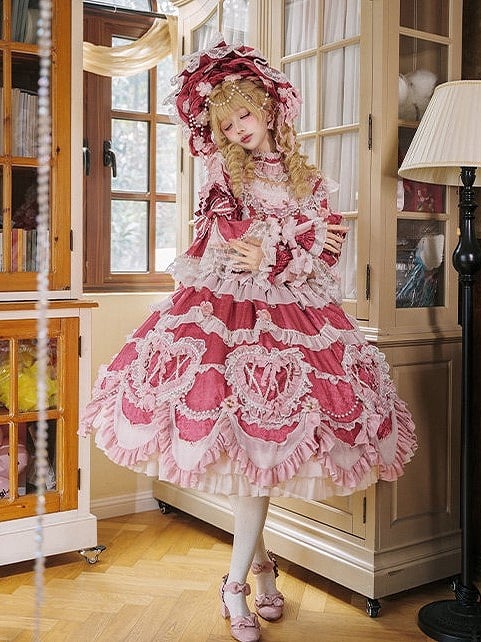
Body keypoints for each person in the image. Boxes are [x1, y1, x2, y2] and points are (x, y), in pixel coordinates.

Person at [80, 38, 416, 642]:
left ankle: (255, 573)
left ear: (267, 108)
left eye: (244, 115)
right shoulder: (224, 178)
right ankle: (242, 581)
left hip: (297, 320)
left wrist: (275, 252)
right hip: (228, 317)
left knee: (256, 460)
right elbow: (225, 248)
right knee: (249, 460)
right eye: (226, 123)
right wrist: (267, 249)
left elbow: (325, 253)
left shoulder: (311, 180)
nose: (238, 129)